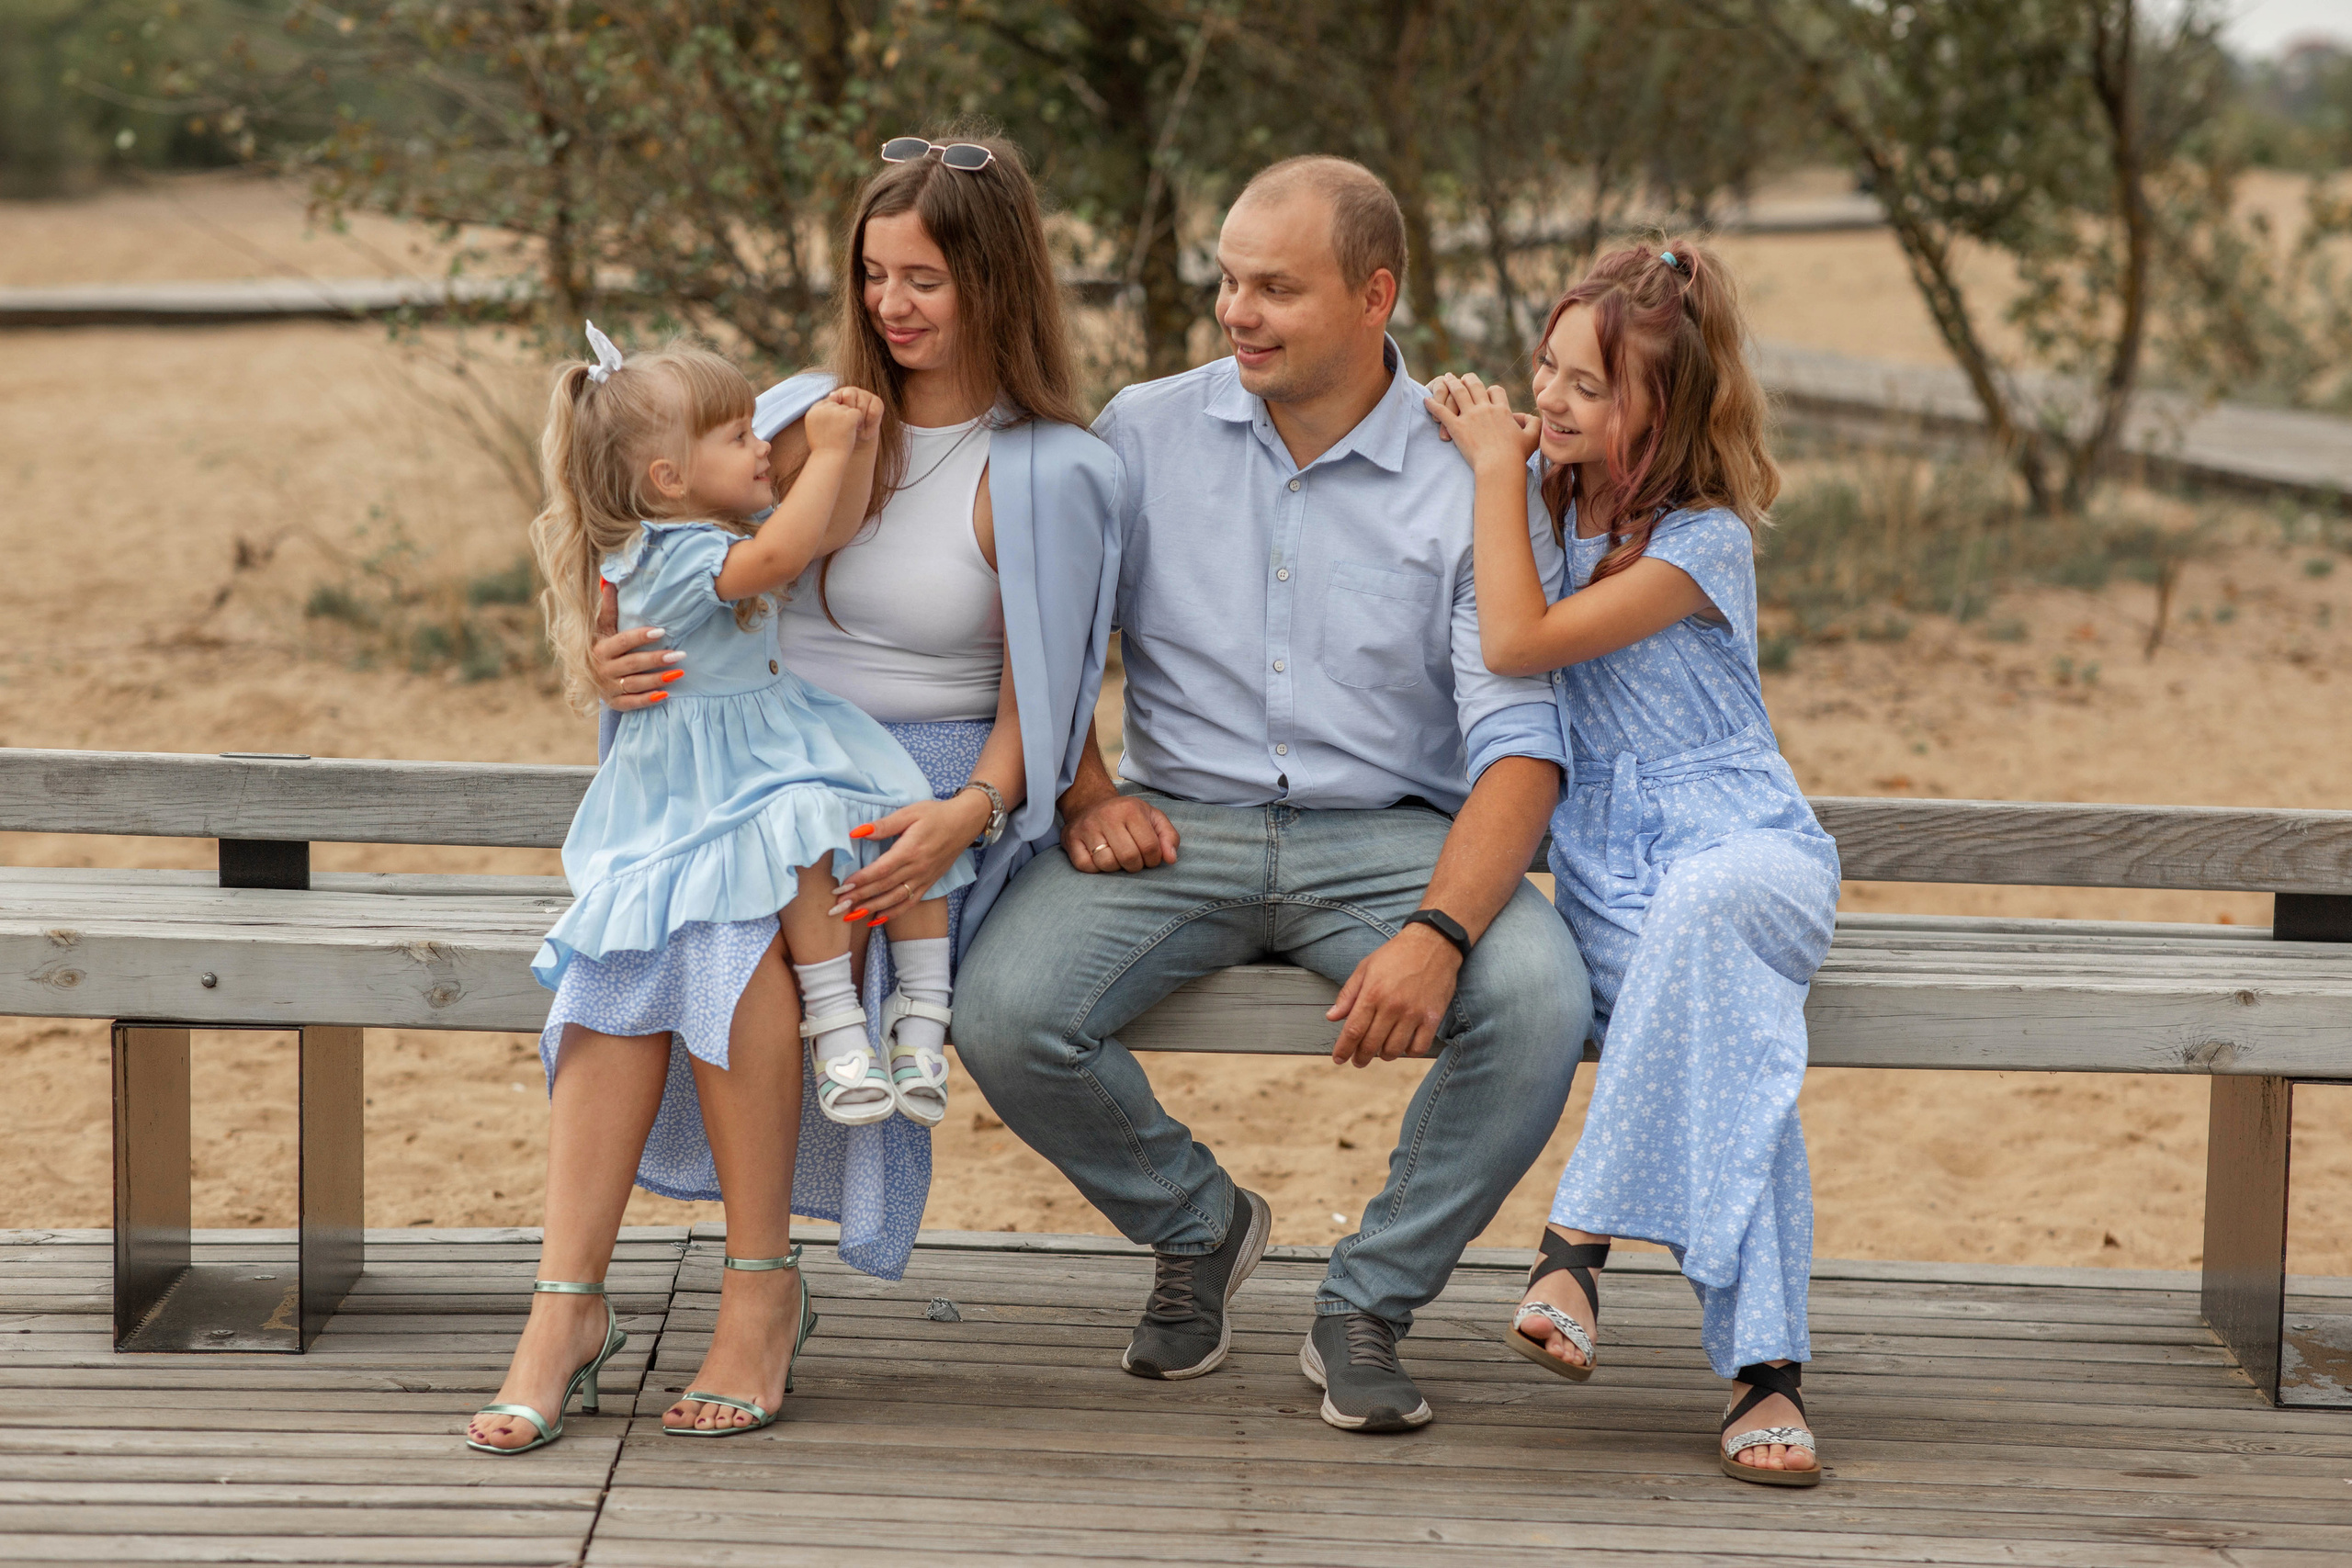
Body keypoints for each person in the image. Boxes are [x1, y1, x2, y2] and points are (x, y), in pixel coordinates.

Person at [951, 155, 1593, 1436]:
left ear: (1374, 294)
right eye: (1228, 281)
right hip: (1177, 825)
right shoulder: (1140, 432)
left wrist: (1439, 930)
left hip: (1392, 838)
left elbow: (1521, 745)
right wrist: (1081, 787)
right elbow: (1045, 630)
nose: (1236, 312)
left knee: (1536, 1001)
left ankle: (1368, 1299)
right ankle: (1200, 1224)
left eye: (1275, 288)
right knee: (1006, 1008)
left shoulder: (1468, 468)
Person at [586, 131, 1120, 1275]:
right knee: (666, 932)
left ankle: (756, 1289)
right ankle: (571, 1292)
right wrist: (604, 662)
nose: (891, 305)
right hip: (743, 763)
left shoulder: (1053, 470)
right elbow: (659, 573)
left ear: (996, 279)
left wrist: (965, 812)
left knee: (746, 928)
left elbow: (1049, 706)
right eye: (873, 276)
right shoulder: (795, 418)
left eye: (923, 279)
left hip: (923, 787)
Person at [469, 331, 972, 1453]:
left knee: (722, 953)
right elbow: (794, 543)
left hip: (742, 801)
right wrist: (834, 440)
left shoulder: (691, 522)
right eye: (741, 436)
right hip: (696, 804)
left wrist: (832, 452)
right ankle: (569, 1304)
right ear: (665, 475)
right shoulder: (692, 547)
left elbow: (808, 528)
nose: (763, 446)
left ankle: (748, 1286)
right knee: (619, 970)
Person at [1426, 241, 1840, 1485]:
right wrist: (1505, 468)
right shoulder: (1544, 508)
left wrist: (1493, 467)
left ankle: (1574, 1244)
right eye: (1544, 368)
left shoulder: (1704, 541)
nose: (1547, 398)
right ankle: (1766, 1374)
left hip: (1746, 844)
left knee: (1710, 922)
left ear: (1660, 414)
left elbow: (1520, 637)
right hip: (1608, 870)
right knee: (1734, 1035)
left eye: (1588, 387)